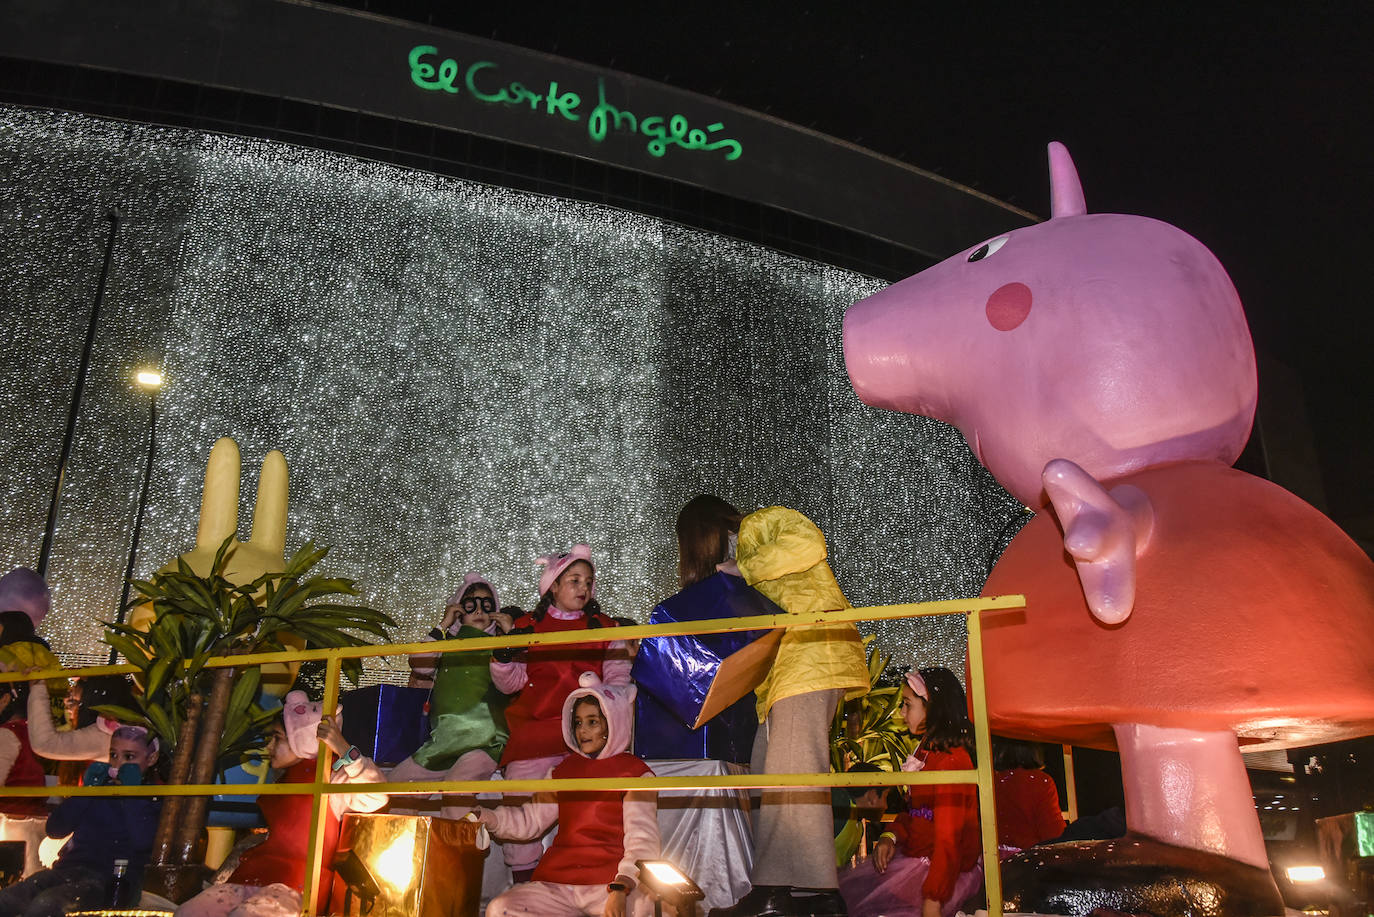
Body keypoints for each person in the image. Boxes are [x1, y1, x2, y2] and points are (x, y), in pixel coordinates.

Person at [710, 506, 870, 917]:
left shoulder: (764, 523)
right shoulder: (744, 559)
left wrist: (744, 565)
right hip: (791, 669)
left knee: (791, 774)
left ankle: (777, 893)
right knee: (772, 774)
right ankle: (809, 894)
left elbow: (809, 542)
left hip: (812, 658)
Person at [174, 691, 388, 917]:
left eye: (277, 738)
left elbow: (377, 795)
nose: (268, 748)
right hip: (254, 875)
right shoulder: (284, 779)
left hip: (295, 884)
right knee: (192, 911)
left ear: (302, 740)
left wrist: (344, 750)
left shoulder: (331, 778)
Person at [491, 543, 631, 880]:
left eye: (587, 581)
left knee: (595, 812)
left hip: (586, 738)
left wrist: (600, 699)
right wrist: (503, 657)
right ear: (553, 585)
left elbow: (619, 681)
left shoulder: (605, 628)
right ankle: (525, 886)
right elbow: (511, 685)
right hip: (535, 735)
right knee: (521, 806)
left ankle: (593, 882)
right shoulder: (527, 628)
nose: (583, 588)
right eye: (574, 580)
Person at [480, 672, 658, 917]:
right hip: (559, 884)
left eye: (592, 721)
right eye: (578, 722)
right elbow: (529, 821)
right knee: (501, 909)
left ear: (614, 721)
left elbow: (642, 841)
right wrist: (489, 818)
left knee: (642, 907)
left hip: (609, 884)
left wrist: (621, 887)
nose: (583, 730)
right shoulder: (563, 771)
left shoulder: (635, 773)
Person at [838, 668, 983, 917]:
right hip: (918, 863)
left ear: (933, 707)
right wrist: (890, 836)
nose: (902, 713)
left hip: (943, 872)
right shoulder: (924, 752)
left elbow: (950, 836)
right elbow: (917, 814)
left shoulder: (951, 760)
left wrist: (934, 897)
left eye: (907, 704)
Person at [0, 725, 162, 916]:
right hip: (69, 870)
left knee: (48, 905)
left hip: (112, 881)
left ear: (151, 759)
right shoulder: (100, 790)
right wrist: (86, 792)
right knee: (7, 900)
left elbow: (142, 841)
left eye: (129, 757)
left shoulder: (153, 797)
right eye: (113, 755)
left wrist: (133, 796)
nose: (118, 764)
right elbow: (55, 829)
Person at [390, 572, 513, 818]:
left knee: (456, 796)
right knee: (395, 786)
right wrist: (443, 625)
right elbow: (420, 664)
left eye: (486, 604)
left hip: (484, 744)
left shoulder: (501, 648)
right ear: (459, 608)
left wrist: (511, 638)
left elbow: (515, 678)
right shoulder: (447, 644)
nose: (479, 609)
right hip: (443, 743)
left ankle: (456, 853)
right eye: (471, 604)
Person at [991, 738, 1065, 852]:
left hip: (991, 859)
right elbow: (1053, 832)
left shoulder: (990, 782)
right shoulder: (1041, 782)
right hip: (1029, 860)